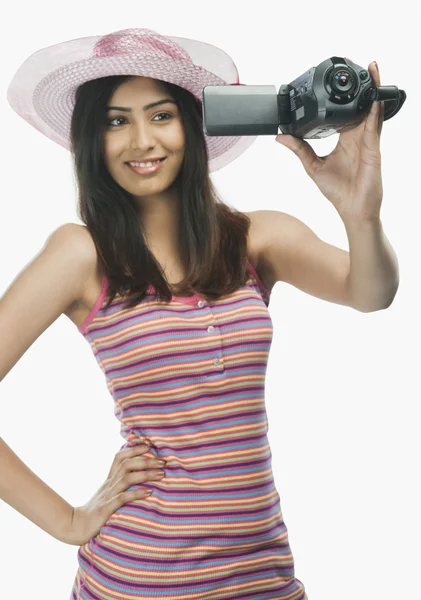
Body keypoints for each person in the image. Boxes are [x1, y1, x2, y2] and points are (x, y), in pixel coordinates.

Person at [1, 28, 398, 600]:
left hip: (265, 574)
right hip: (140, 579)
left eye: (161, 115)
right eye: (116, 121)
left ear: (191, 123)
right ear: (93, 138)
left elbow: (371, 292)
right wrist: (68, 522)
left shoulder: (256, 238)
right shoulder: (81, 254)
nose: (142, 140)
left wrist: (361, 213)